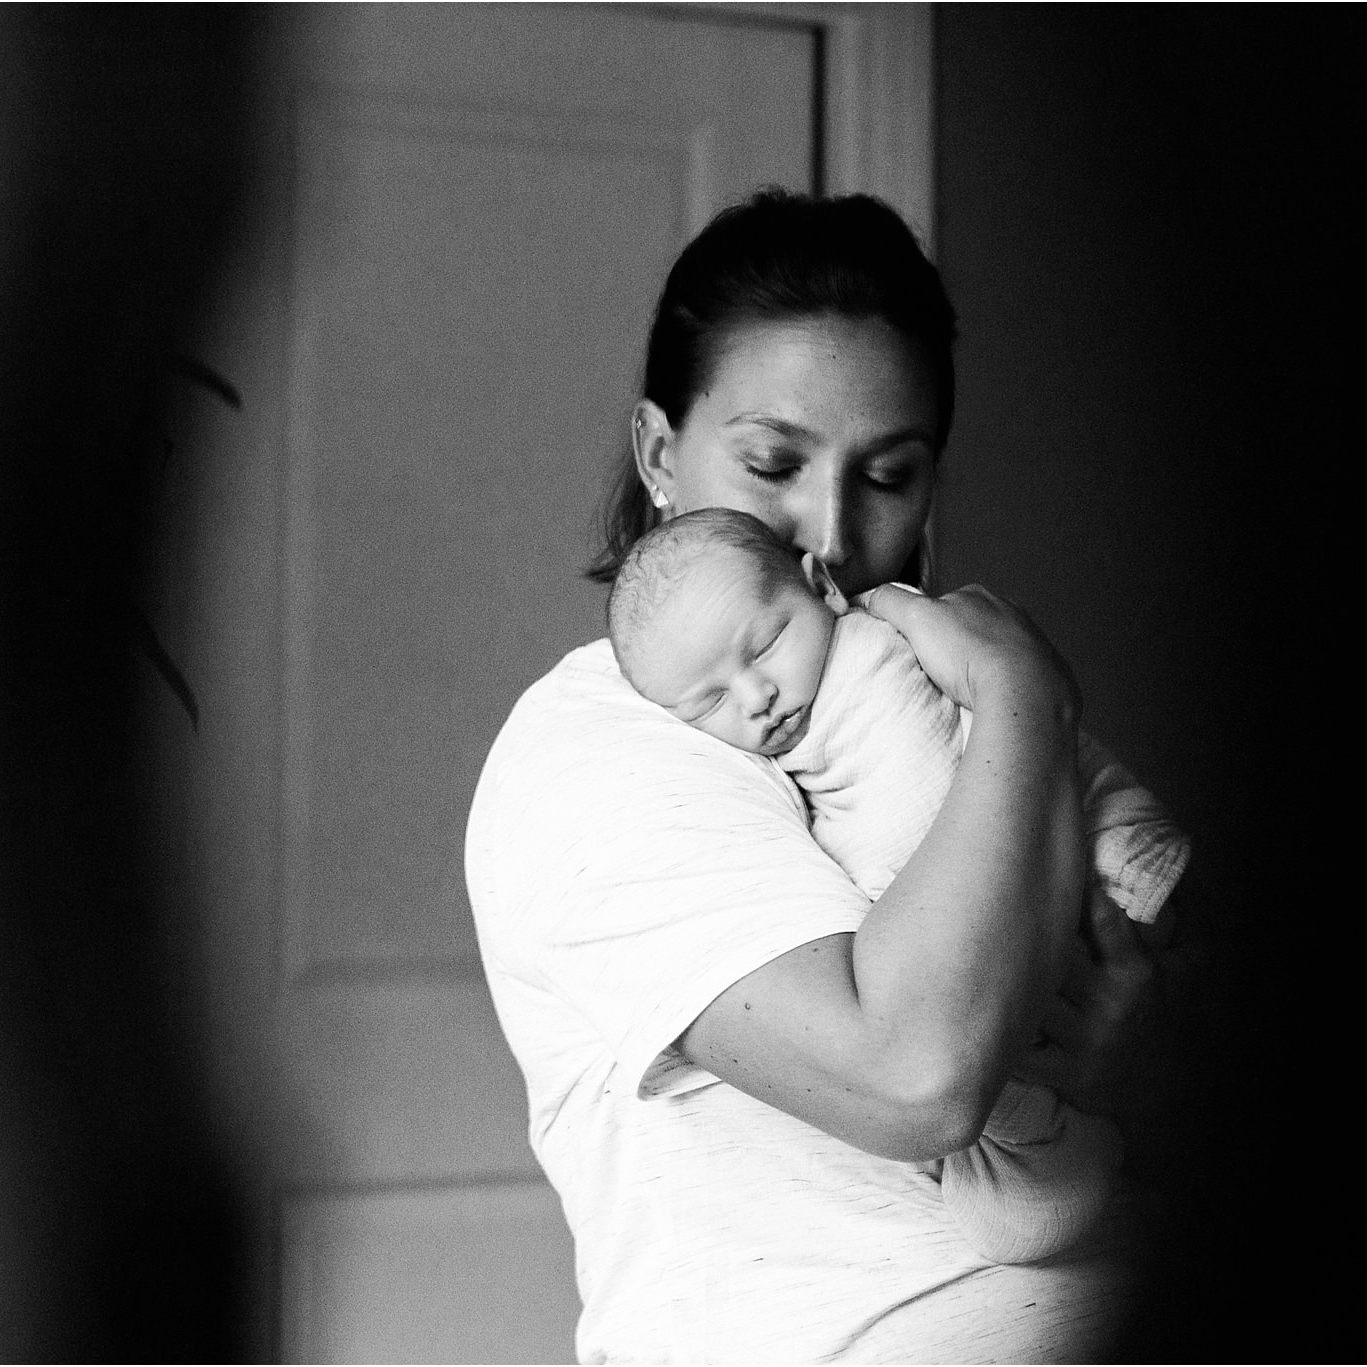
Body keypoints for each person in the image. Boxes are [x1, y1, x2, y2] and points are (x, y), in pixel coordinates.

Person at [466, 189, 1166, 1363]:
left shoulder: (921, 700)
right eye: (772, 463)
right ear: (657, 454)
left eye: (887, 474)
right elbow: (915, 1079)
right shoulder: (588, 754)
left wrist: (1137, 1046)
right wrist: (1024, 699)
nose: (828, 536)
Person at [603, 505, 1190, 1267]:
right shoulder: (739, 774)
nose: (755, 697)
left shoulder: (883, 630)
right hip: (963, 966)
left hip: (1053, 850)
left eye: (769, 642)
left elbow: (977, 749)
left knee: (1139, 873)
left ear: (820, 585)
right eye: (708, 702)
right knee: (1019, 1216)